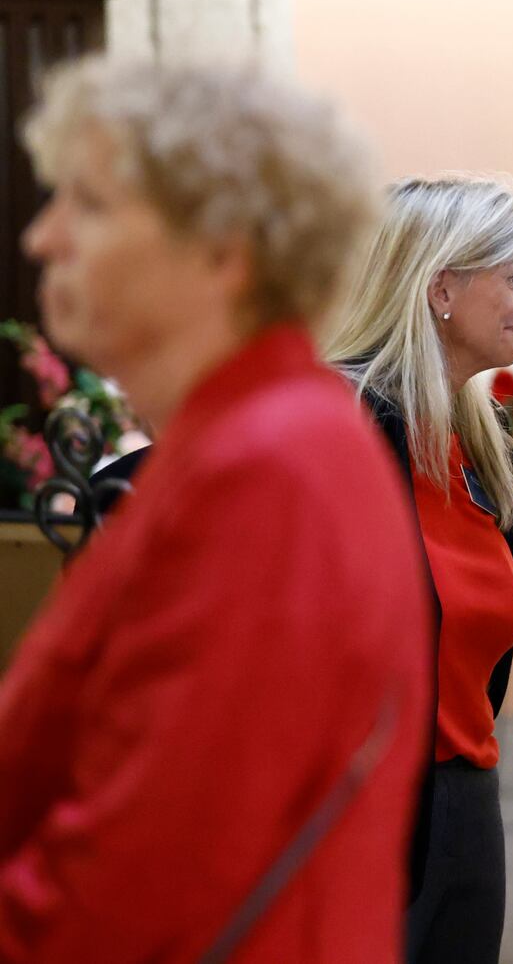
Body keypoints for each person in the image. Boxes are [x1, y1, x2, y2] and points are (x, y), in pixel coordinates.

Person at [0, 58, 433, 961]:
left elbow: (147, 877)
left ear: (222, 250)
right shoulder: (236, 441)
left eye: (88, 204)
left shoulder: (273, 465)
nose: (42, 237)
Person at [324, 175, 513, 964]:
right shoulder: (337, 422)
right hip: (359, 819)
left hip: (466, 808)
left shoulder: (476, 444)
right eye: (512, 275)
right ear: (442, 287)